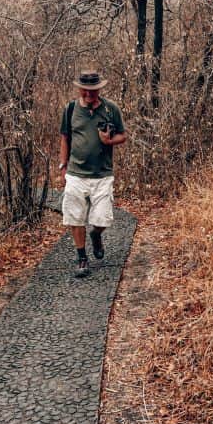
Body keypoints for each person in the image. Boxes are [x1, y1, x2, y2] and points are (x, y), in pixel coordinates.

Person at [57, 69, 127, 278]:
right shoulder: (70, 109)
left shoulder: (111, 109)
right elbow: (64, 139)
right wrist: (63, 166)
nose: (88, 95)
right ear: (79, 88)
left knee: (102, 219)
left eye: (93, 91)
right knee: (74, 216)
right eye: (85, 90)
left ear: (99, 89)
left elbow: (123, 135)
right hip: (76, 173)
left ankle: (96, 236)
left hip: (102, 174)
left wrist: (109, 141)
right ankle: (81, 258)